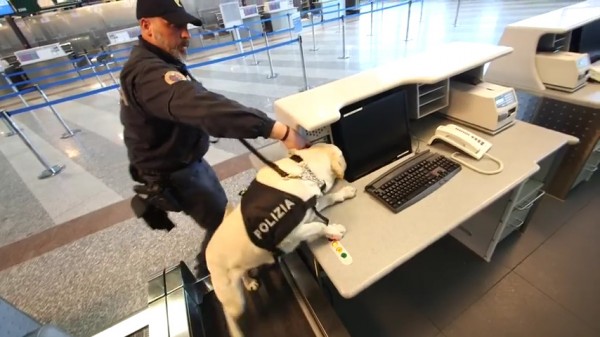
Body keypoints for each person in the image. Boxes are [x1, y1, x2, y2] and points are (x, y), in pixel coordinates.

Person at [119, 0, 307, 276]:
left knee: (222, 217)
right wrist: (280, 131)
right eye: (174, 25)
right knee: (221, 225)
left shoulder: (156, 62)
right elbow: (203, 107)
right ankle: (209, 277)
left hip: (184, 163)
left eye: (185, 25)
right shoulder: (147, 74)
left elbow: (199, 101)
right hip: (176, 173)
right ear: (146, 26)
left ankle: (219, 268)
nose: (185, 34)